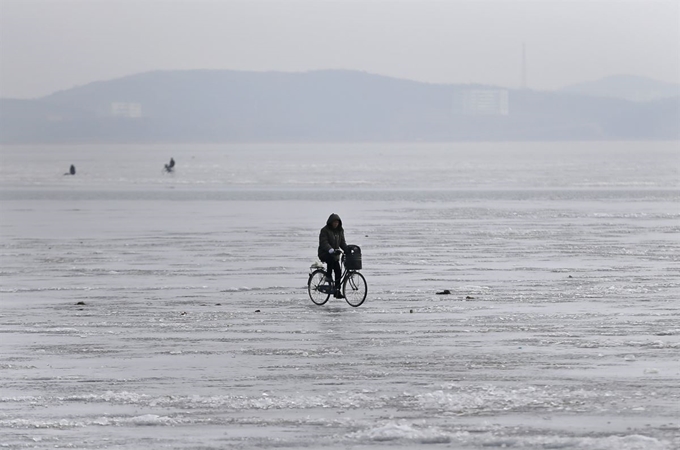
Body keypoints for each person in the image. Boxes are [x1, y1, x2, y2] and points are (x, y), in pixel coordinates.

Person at [318, 213, 349, 298]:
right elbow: (324, 242)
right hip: (324, 253)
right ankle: (328, 276)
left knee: (338, 271)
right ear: (330, 222)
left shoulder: (340, 230)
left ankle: (337, 291)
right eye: (334, 222)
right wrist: (330, 250)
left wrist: (347, 249)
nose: (336, 224)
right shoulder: (324, 230)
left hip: (335, 255)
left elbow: (342, 242)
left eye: (337, 222)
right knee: (330, 261)